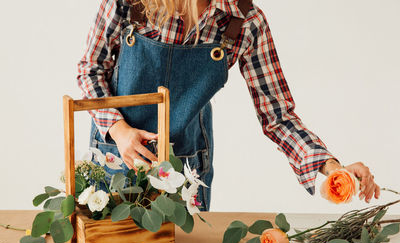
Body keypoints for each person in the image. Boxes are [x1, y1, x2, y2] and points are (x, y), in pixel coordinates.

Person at [77, 0, 380, 211]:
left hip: (185, 166)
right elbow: (91, 68)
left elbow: (278, 117)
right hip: (114, 155)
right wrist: (119, 131)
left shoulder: (245, 22)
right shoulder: (131, 3)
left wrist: (332, 168)